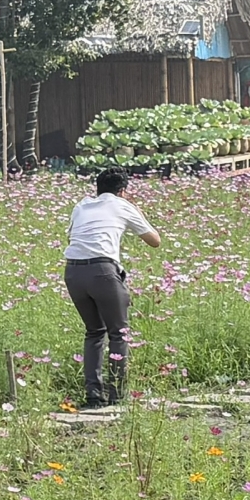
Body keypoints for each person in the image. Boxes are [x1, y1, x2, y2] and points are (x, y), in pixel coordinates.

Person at [64, 168, 161, 409]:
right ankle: (117, 396)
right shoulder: (122, 205)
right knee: (119, 332)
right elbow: (155, 241)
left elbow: (72, 239)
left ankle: (93, 396)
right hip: (103, 272)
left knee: (94, 331)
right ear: (123, 191)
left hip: (74, 272)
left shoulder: (81, 206)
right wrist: (135, 209)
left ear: (97, 188)